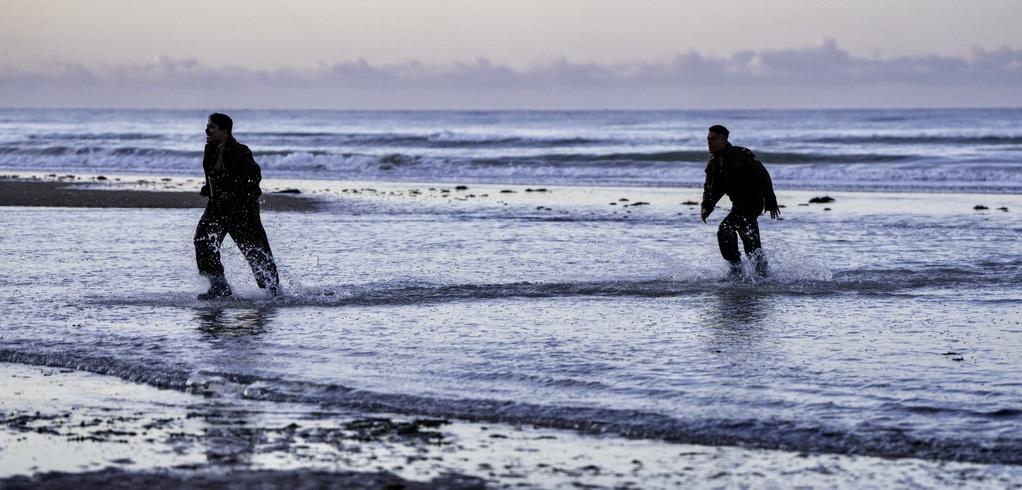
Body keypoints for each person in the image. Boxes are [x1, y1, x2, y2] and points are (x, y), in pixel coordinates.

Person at [194, 113, 280, 299]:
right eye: (207, 126)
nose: (206, 130)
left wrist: (233, 192)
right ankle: (219, 286)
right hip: (216, 207)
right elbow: (213, 176)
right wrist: (208, 189)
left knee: (256, 251)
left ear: (224, 131)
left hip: (242, 210)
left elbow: (253, 178)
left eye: (211, 127)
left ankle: (273, 292)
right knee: (203, 242)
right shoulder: (209, 149)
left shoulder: (241, 151)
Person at [700, 125, 780, 278]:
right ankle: (758, 271)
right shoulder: (713, 163)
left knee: (726, 228)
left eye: (714, 139)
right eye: (708, 139)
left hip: (753, 202)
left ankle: (738, 269)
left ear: (723, 140)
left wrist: (771, 201)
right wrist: (706, 206)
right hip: (738, 205)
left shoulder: (742, 154)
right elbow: (712, 188)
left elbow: (763, 176)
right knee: (748, 240)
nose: (710, 142)